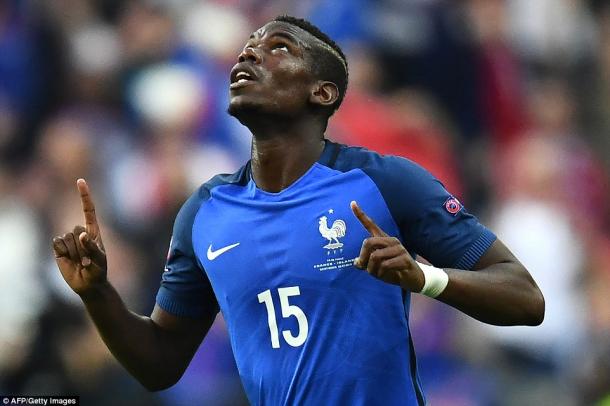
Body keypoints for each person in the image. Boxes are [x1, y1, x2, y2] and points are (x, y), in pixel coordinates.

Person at [52, 15, 544, 405]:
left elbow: (525, 298)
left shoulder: (384, 181)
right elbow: (159, 363)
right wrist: (98, 294)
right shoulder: (203, 214)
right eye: (248, 47)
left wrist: (425, 278)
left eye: (278, 47)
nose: (248, 53)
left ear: (322, 92)